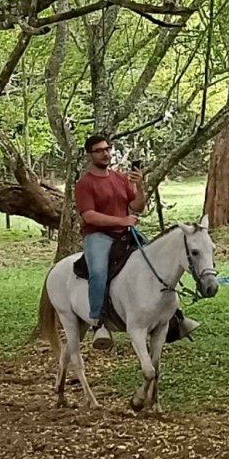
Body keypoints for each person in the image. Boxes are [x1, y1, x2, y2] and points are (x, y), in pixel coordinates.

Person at [73, 133, 197, 349]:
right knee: (99, 272)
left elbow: (139, 207)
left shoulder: (120, 178)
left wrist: (140, 186)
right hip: (98, 236)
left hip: (126, 233)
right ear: (89, 155)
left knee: (158, 263)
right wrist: (122, 219)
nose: (105, 153)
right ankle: (99, 323)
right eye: (99, 150)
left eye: (107, 149)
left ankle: (175, 317)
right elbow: (88, 216)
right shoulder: (85, 184)